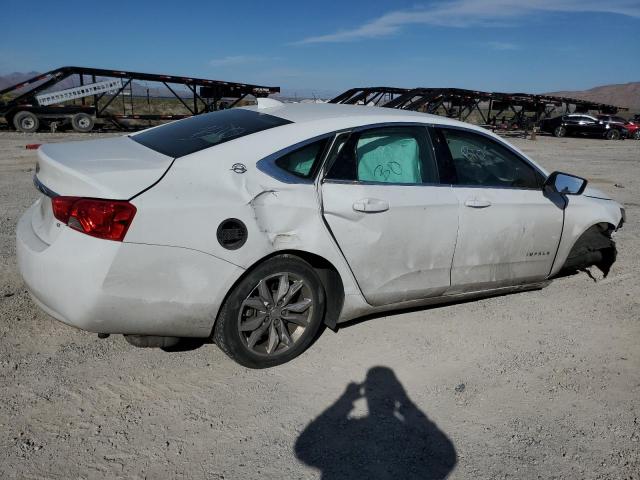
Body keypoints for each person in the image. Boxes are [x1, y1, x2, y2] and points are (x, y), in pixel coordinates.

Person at [295, 366, 457, 479]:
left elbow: (303, 448)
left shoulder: (354, 428)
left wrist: (345, 400)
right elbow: (446, 456)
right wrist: (407, 404)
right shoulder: (402, 433)